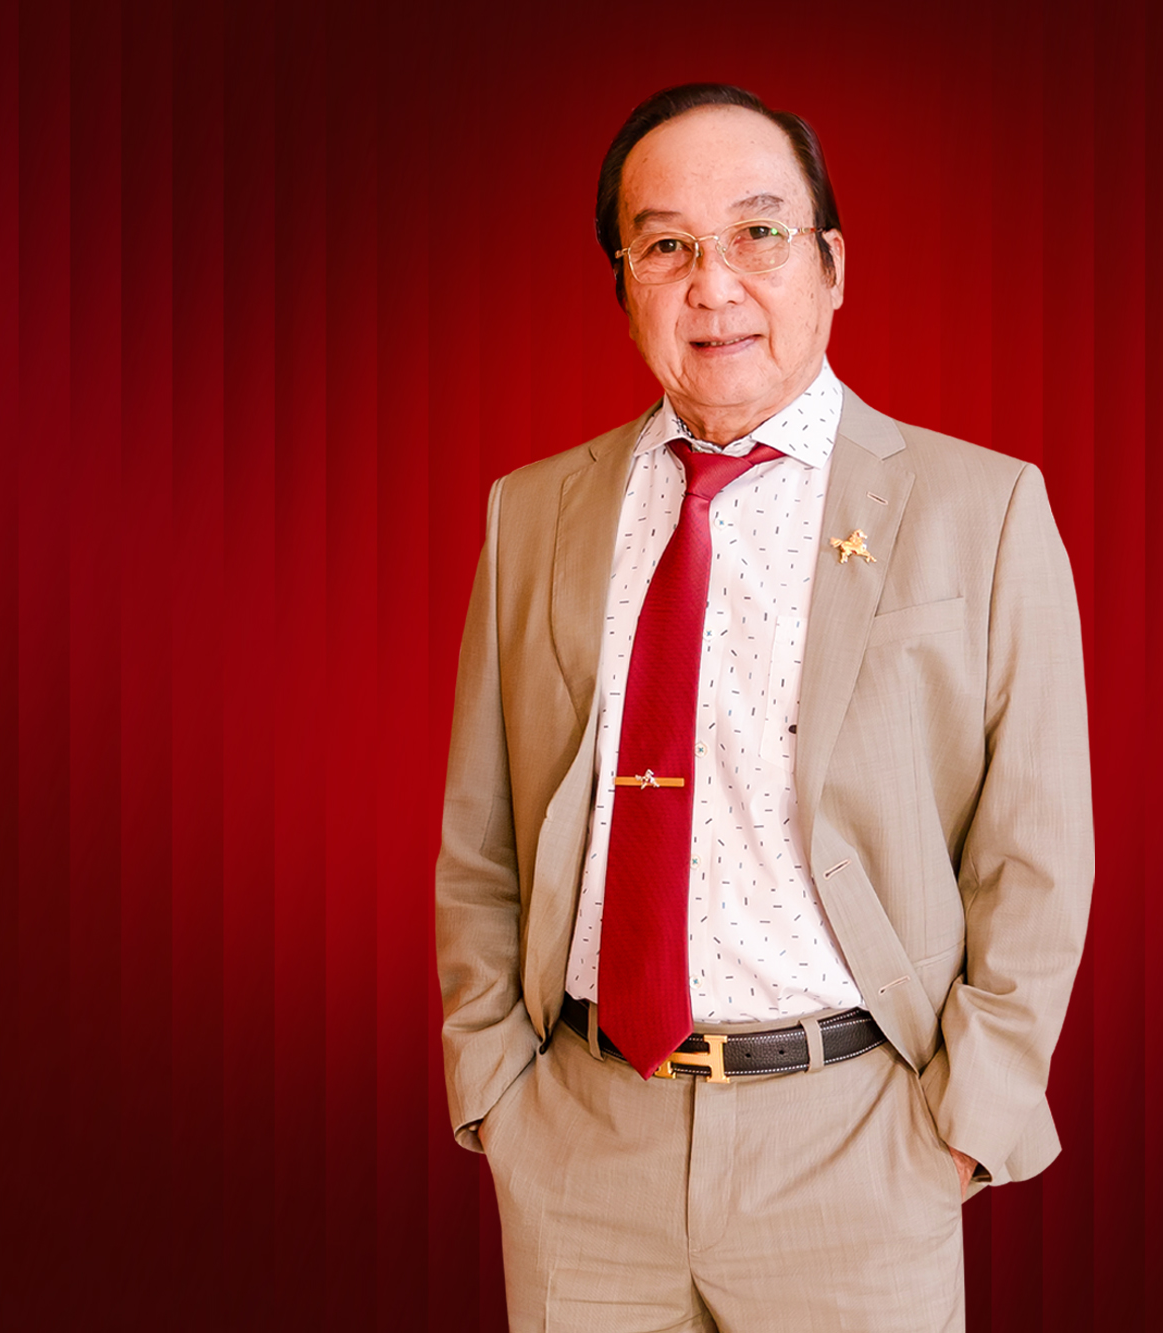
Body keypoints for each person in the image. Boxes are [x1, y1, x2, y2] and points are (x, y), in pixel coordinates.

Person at [436, 83, 1093, 1333]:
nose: (714, 284)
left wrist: (963, 1126)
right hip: (582, 1147)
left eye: (758, 232)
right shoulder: (533, 514)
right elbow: (482, 839)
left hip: (857, 1146)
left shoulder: (984, 508)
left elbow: (1037, 853)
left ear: (832, 265)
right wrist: (498, 1090)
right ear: (624, 283)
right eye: (666, 245)